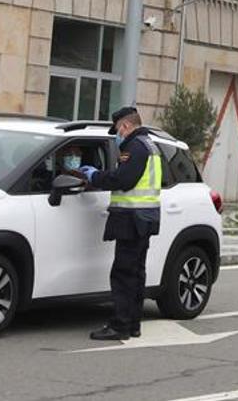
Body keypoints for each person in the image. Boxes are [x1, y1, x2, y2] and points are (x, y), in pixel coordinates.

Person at [77, 106, 162, 341]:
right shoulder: (150, 144)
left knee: (124, 274)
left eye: (117, 130)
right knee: (135, 273)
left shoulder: (134, 147)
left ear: (125, 126)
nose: (117, 135)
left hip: (132, 219)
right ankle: (133, 323)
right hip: (144, 218)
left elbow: (123, 180)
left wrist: (95, 176)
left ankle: (120, 325)